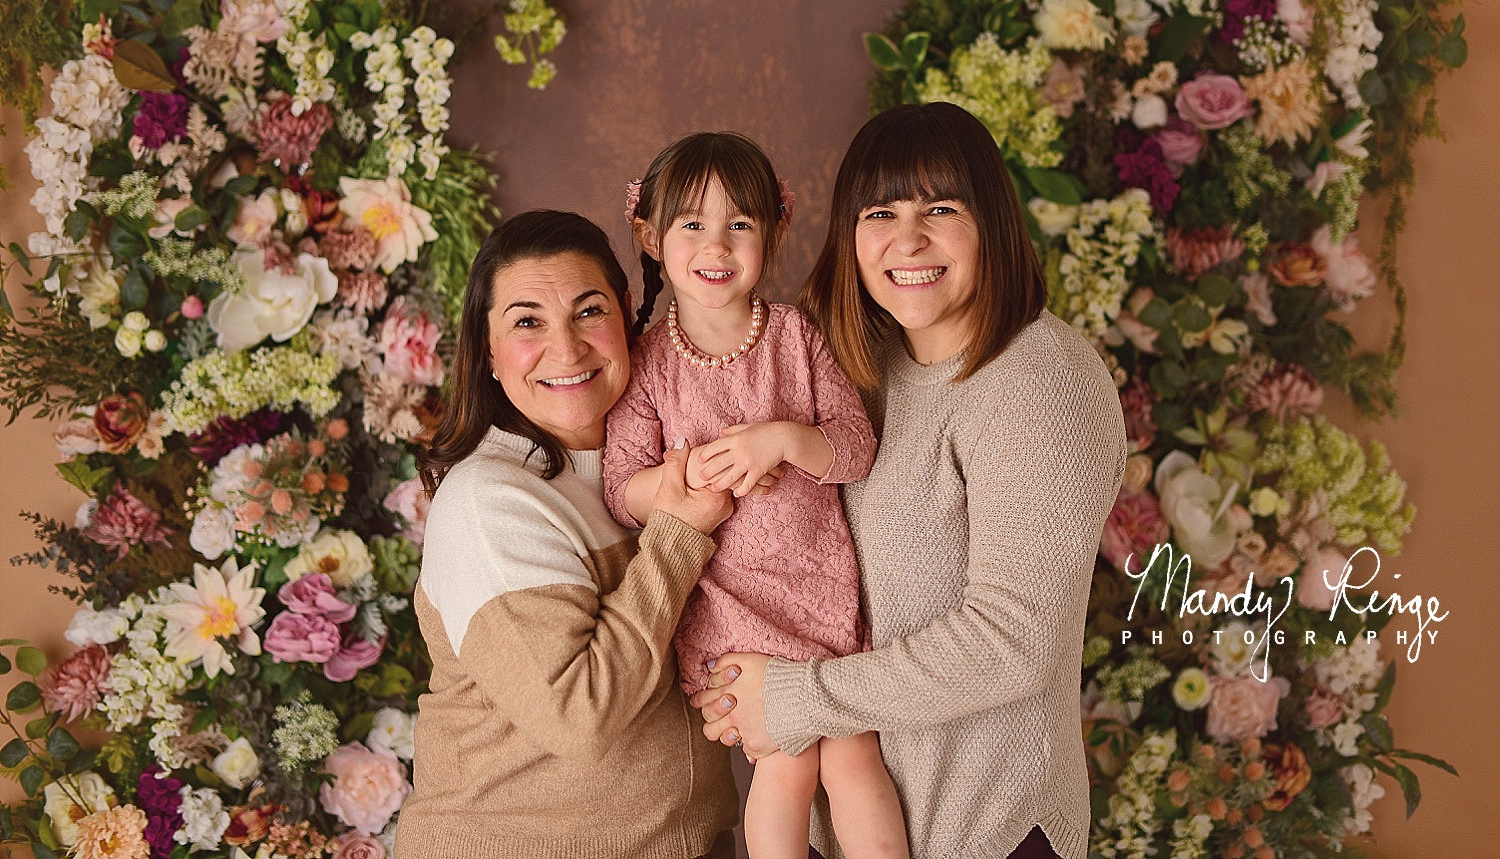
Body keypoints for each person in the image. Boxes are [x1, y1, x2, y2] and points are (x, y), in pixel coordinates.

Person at [692, 103, 1128, 859]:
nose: (908, 239)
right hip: (847, 827)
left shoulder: (1037, 381)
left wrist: (795, 698)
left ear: (992, 222)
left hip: (984, 831)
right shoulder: (863, 368)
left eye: (942, 209)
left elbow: (1011, 642)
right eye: (881, 213)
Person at [394, 210, 740, 859]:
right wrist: (676, 536)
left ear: (625, 314)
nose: (568, 347)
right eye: (527, 322)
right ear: (488, 351)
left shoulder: (655, 464)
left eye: (589, 311)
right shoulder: (489, 500)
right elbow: (579, 715)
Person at [605, 133, 909, 859]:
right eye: (692, 224)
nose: (717, 245)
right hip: (726, 607)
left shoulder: (797, 337)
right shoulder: (650, 365)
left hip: (816, 588)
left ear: (774, 231)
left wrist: (783, 439)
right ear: (649, 236)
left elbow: (855, 447)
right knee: (786, 760)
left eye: (739, 223)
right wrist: (679, 481)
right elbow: (621, 489)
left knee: (854, 753)